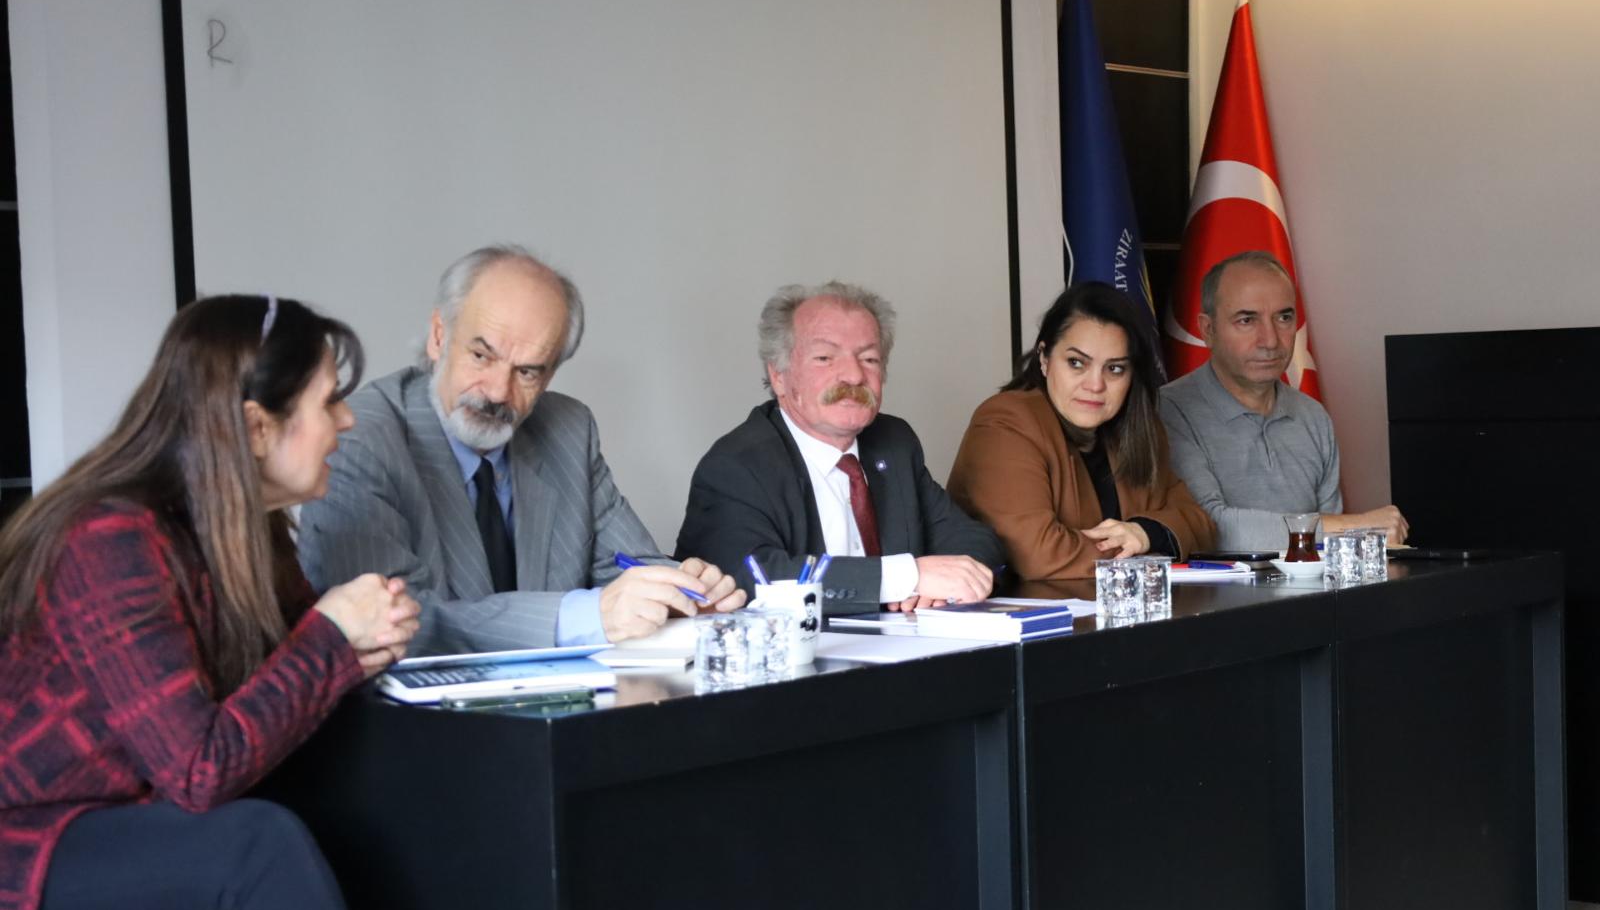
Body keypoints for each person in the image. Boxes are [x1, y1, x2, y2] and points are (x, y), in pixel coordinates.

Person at [0, 296, 431, 910]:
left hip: (120, 856)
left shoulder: (244, 531)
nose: (348, 421)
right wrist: (330, 642)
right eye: (328, 401)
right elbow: (199, 770)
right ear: (257, 427)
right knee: (258, 843)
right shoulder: (108, 538)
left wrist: (358, 648)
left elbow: (283, 693)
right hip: (23, 870)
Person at [297, 245, 744, 653]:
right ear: (438, 335)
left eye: (528, 372)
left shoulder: (568, 430)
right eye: (481, 356)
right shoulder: (359, 437)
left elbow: (628, 567)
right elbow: (394, 625)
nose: (497, 391)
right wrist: (587, 617)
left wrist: (682, 591)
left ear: (551, 373)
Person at [675, 281, 1004, 615]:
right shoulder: (737, 465)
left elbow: (973, 539)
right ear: (779, 376)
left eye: (869, 359)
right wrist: (908, 578)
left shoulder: (894, 443)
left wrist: (950, 584)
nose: (854, 375)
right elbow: (750, 578)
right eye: (825, 358)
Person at [946, 282, 1215, 579]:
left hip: (1115, 607)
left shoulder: (1135, 429)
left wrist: (1145, 533)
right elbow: (1039, 556)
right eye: (1076, 363)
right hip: (1026, 607)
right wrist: (1140, 550)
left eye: (1114, 369)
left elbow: (1201, 527)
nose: (1095, 385)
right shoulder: (1005, 422)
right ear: (1044, 359)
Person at [1159, 250, 1409, 551]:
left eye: (1284, 317)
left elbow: (1328, 550)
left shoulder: (1313, 416)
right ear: (1208, 330)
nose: (1271, 340)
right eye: (1247, 320)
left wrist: (1342, 531)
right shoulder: (1168, 411)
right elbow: (1207, 527)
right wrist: (1357, 527)